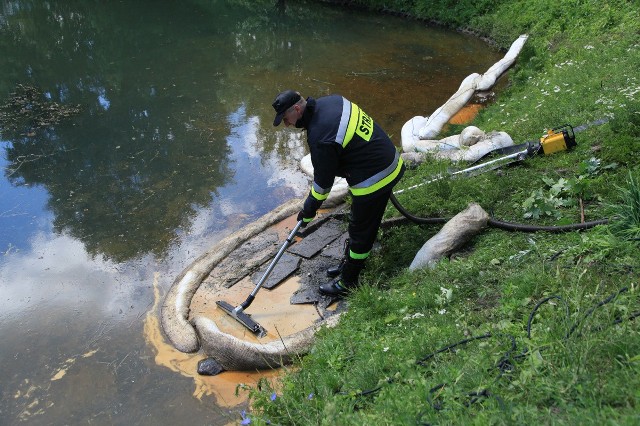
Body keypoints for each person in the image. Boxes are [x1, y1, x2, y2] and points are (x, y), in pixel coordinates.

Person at [272, 89, 405, 297]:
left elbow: (323, 185)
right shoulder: (331, 102)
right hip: (388, 157)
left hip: (376, 176)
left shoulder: (320, 137)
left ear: (297, 109)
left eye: (286, 119)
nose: (287, 124)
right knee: (358, 221)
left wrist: (308, 210)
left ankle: (348, 283)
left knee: (361, 229)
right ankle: (348, 265)